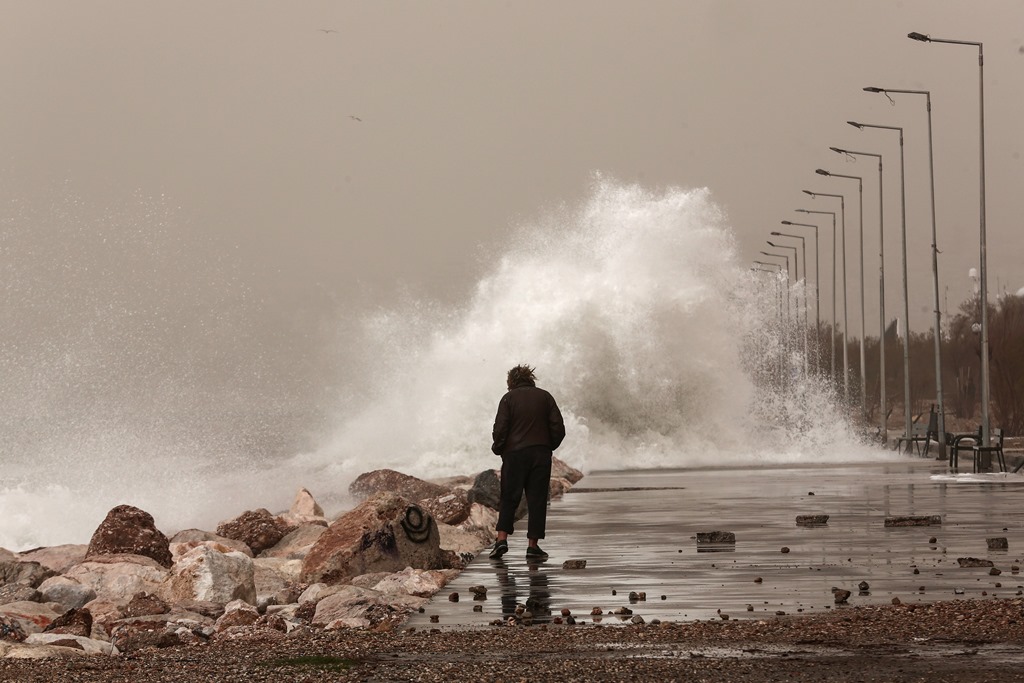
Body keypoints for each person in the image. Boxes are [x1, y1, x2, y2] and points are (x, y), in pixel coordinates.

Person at [489, 364, 566, 560]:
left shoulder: (508, 399)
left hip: (514, 455)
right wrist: (548, 446)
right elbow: (558, 428)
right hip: (540, 454)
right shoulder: (545, 397)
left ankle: (501, 540)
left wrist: (499, 448)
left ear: (511, 382)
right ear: (530, 379)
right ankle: (533, 546)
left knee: (509, 497)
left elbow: (500, 428)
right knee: (537, 500)